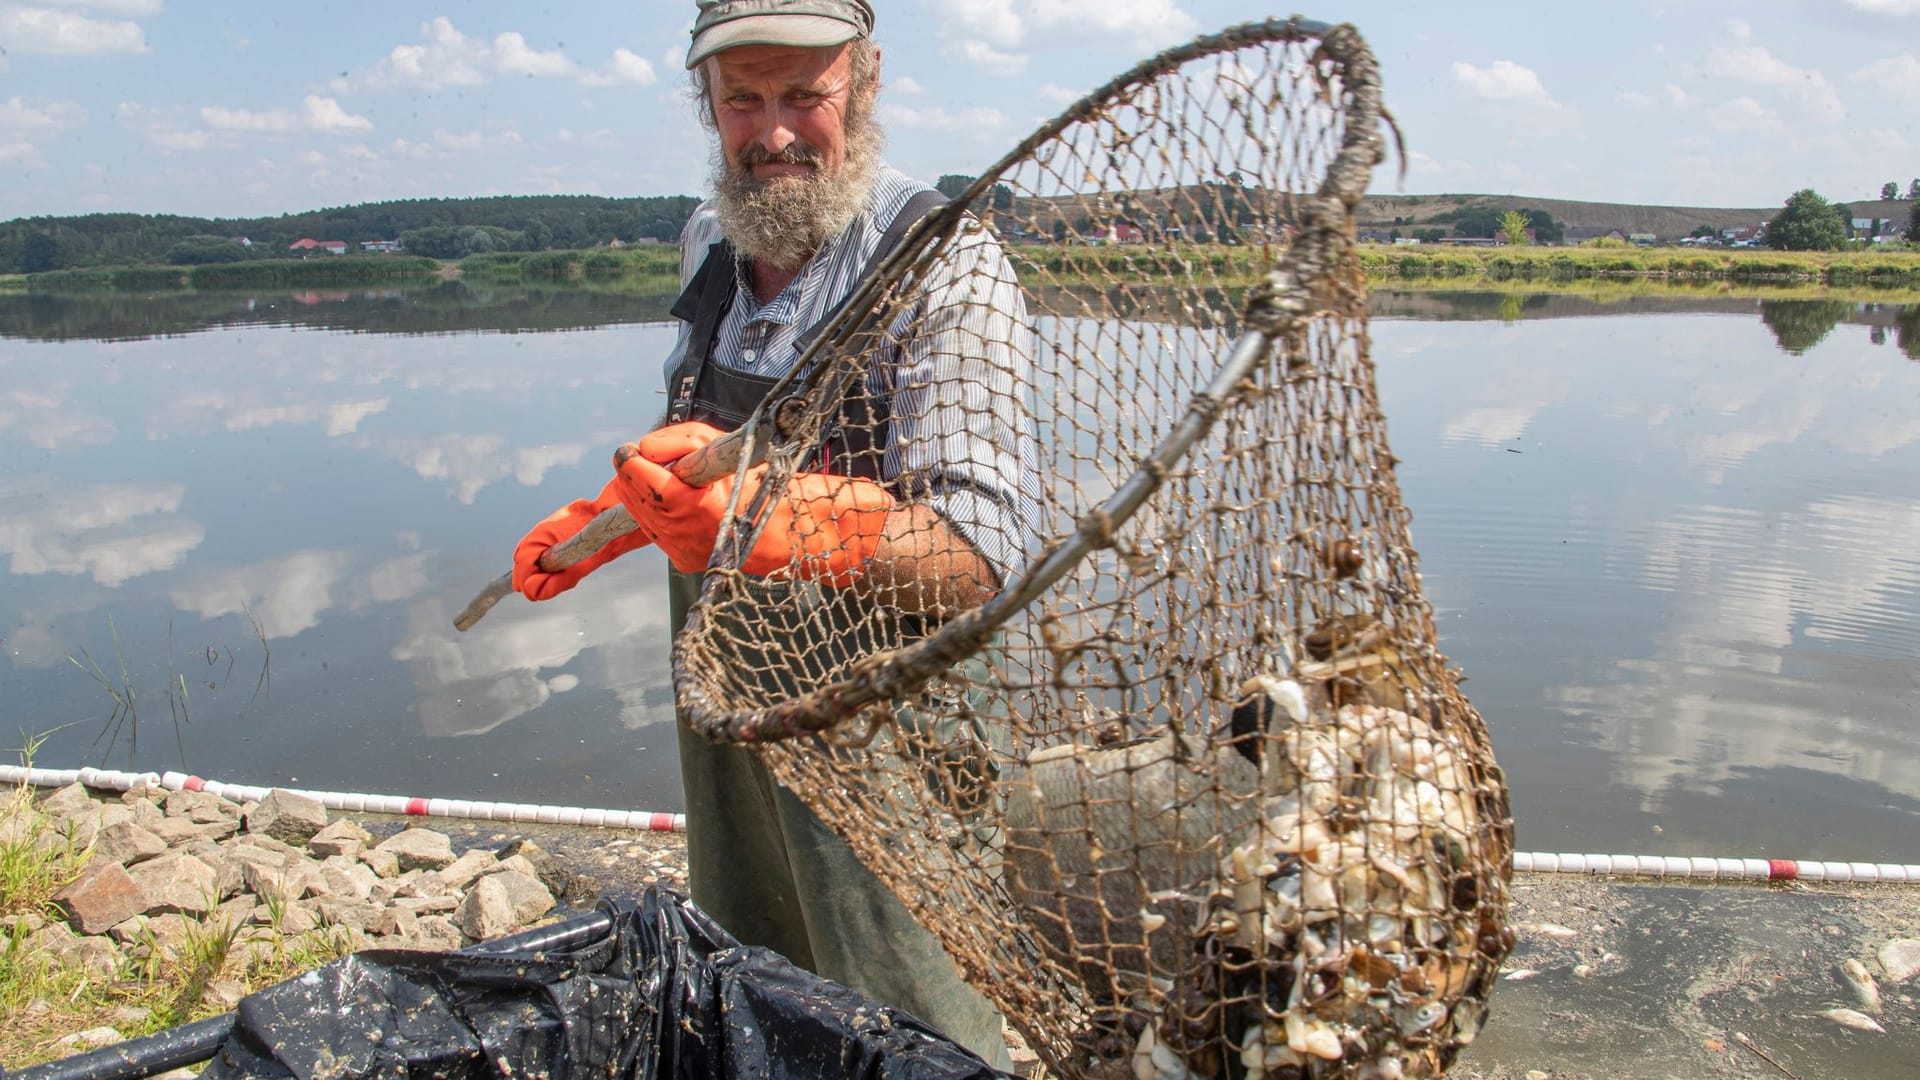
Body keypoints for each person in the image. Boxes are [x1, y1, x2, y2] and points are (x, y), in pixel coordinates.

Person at [509, 0, 1037, 1069]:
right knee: (752, 966)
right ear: (704, 98)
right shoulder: (713, 235)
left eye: (807, 93)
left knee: (908, 1012)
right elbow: (694, 439)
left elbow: (981, 557)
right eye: (743, 97)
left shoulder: (944, 261)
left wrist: (772, 519)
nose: (774, 131)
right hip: (729, 690)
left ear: (869, 80)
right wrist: (617, 516)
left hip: (891, 729)